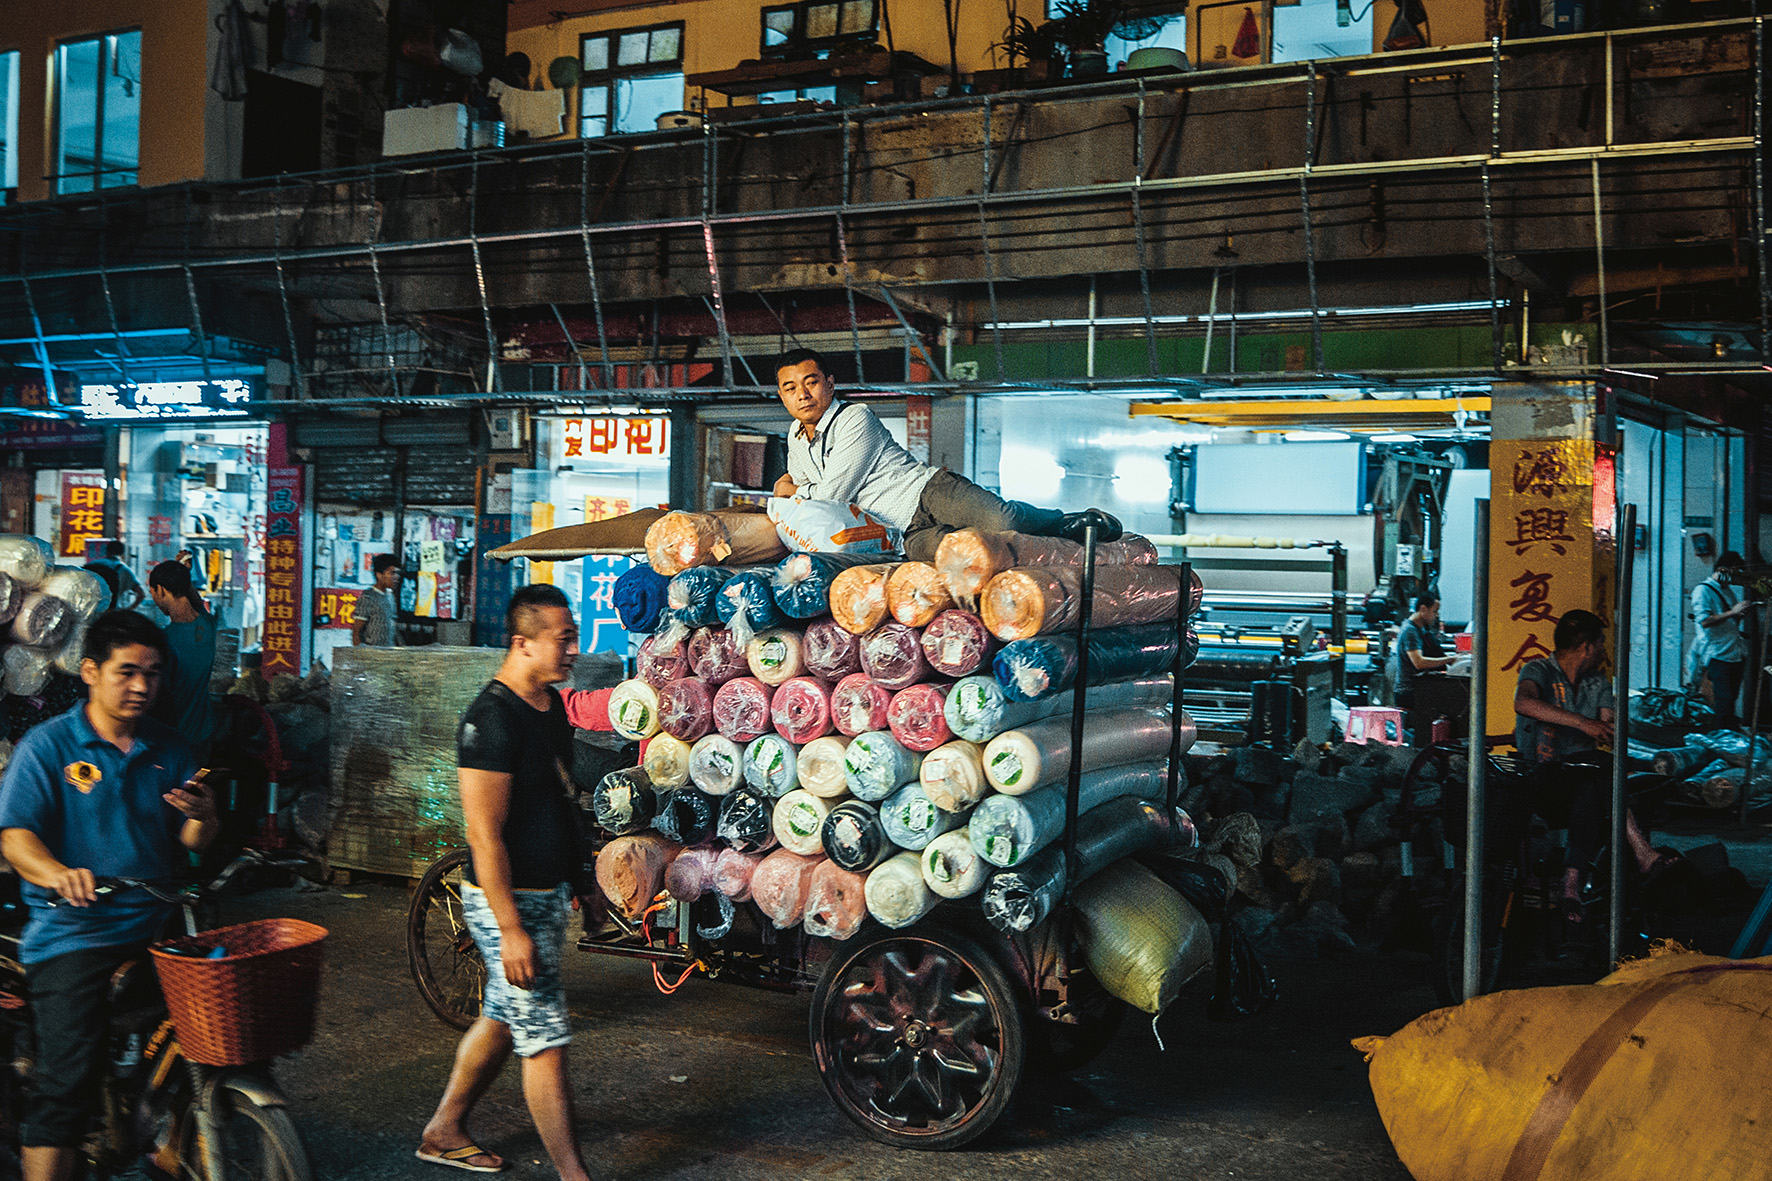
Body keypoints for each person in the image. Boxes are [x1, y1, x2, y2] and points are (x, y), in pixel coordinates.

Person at [0, 610, 217, 1181]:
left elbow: (194, 840)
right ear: (90, 672)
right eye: (127, 672)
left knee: (218, 1034)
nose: (142, 686)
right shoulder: (47, 747)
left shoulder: (172, 749)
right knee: (66, 1085)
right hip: (75, 933)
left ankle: (170, 1139)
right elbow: (16, 835)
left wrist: (203, 817)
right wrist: (54, 872)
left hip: (159, 925)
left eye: (153, 673)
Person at [418, 585, 593, 1179]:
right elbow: (484, 835)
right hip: (505, 903)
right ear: (521, 643)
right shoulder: (489, 721)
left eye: (573, 636)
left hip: (544, 897)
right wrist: (510, 927)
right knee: (543, 1039)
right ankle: (573, 1173)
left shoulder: (548, 707)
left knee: (501, 1019)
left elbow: (560, 801)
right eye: (562, 638)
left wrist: (582, 882)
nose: (573, 648)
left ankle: (444, 1129)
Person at [772, 349, 1121, 561]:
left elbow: (831, 494)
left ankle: (1064, 522)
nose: (802, 394)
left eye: (811, 382)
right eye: (791, 388)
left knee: (1003, 522)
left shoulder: (854, 417)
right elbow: (812, 503)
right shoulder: (795, 437)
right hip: (903, 533)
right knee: (978, 554)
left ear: (830, 384)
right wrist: (801, 493)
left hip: (927, 492)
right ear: (782, 395)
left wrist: (793, 493)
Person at [1513, 609, 1673, 928]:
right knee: (1600, 772)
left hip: (1584, 784)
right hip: (1544, 782)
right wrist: (1583, 724)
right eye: (1601, 643)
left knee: (1594, 784)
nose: (1604, 650)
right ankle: (1641, 850)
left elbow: (1607, 725)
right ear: (1587, 646)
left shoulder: (1597, 681)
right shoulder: (1538, 670)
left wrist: (1611, 728)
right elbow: (1524, 704)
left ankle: (1571, 885)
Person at [147, 560, 217, 756]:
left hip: (174, 740)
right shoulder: (208, 626)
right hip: (203, 736)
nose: (154, 600)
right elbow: (195, 602)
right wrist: (182, 573)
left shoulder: (164, 641)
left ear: (160, 590)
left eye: (153, 593)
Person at [1688, 550, 1750, 728]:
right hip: (1718, 654)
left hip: (1735, 652)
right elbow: (1705, 621)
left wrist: (1739, 614)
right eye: (1732, 574)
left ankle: (1728, 738)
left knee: (1731, 701)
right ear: (1723, 570)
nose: (1733, 580)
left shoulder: (1727, 591)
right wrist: (1733, 612)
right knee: (1723, 702)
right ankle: (1720, 741)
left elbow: (1729, 619)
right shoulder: (1702, 591)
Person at [1394, 591, 1454, 722]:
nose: (1436, 616)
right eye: (1434, 611)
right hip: (1409, 691)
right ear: (1423, 609)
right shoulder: (1410, 631)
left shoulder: (1420, 630)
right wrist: (1450, 659)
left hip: (1420, 687)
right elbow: (1419, 662)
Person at [353, 554, 402, 648]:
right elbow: (356, 632)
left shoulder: (391, 597)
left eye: (397, 573)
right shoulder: (367, 597)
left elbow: (393, 629)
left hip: (389, 655)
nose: (396, 577)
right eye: (392, 573)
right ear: (379, 575)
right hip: (372, 655)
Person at [83, 541, 144, 611]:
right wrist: (127, 610)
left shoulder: (91, 565)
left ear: (107, 551)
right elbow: (141, 594)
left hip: (89, 613)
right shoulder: (123, 569)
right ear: (122, 553)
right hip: (111, 613)